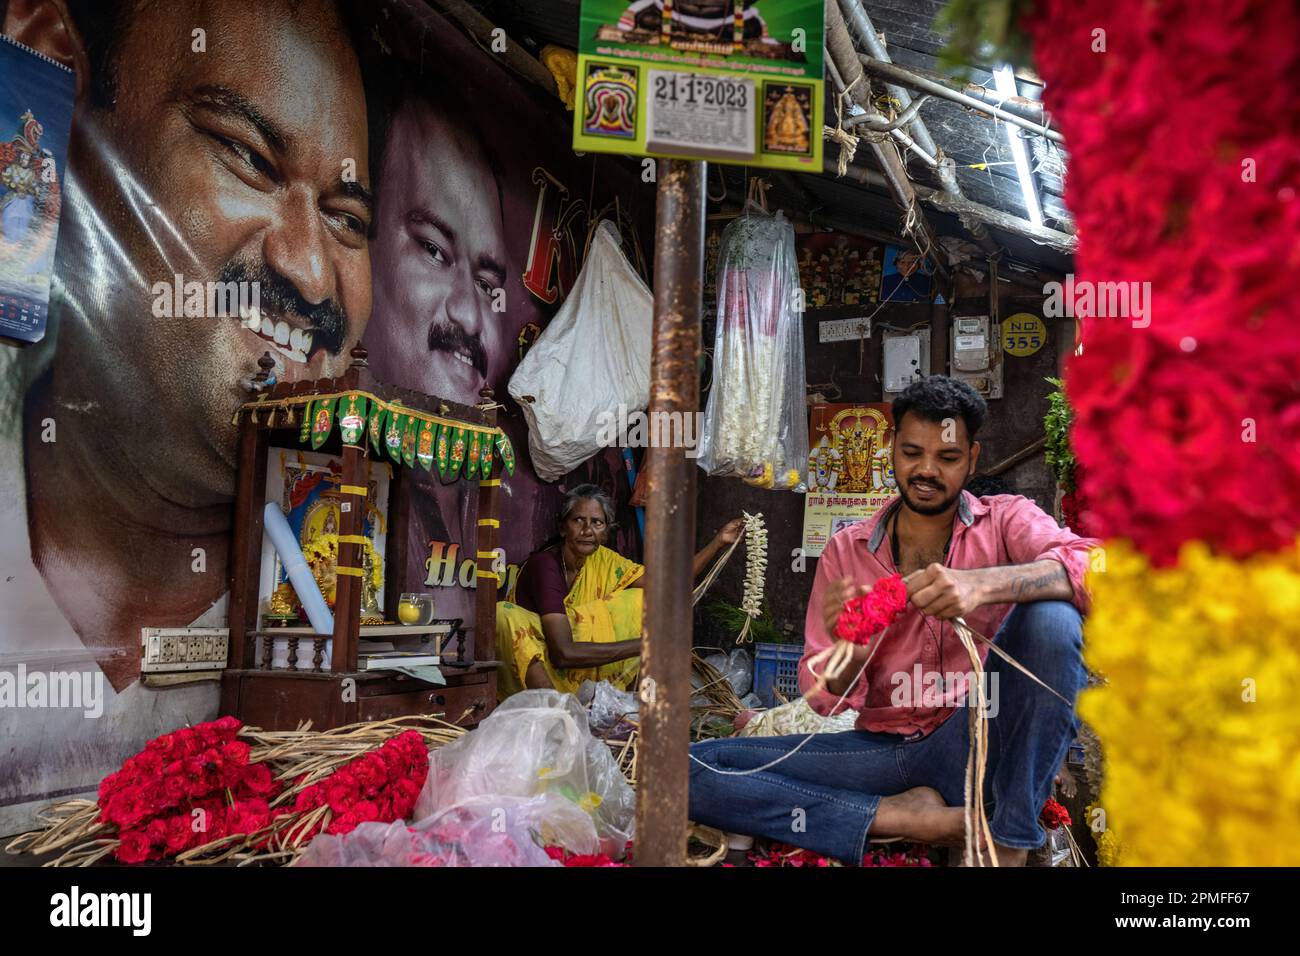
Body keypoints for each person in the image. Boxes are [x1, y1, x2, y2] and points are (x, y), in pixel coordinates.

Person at [0, 0, 374, 828]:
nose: (312, 273)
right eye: (246, 156)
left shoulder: (331, 610)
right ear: (57, 89)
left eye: (348, 220)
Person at [688, 377, 1098, 866]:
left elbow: (1096, 567)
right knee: (692, 767)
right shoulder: (847, 549)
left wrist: (984, 585)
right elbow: (824, 699)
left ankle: (1007, 841)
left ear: (972, 458)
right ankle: (904, 817)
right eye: (911, 453)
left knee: (1052, 616)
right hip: (884, 751)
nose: (926, 470)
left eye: (947, 458)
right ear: (890, 452)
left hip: (977, 739)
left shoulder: (1006, 519)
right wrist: (851, 650)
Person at [496, 484, 742, 698]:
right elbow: (562, 652)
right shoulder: (545, 565)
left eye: (597, 523)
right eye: (578, 520)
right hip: (537, 672)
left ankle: (633, 709)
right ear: (563, 528)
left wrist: (718, 542)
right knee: (504, 615)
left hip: (579, 673)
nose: (587, 530)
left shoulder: (605, 562)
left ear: (605, 531)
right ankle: (557, 717)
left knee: (643, 600)